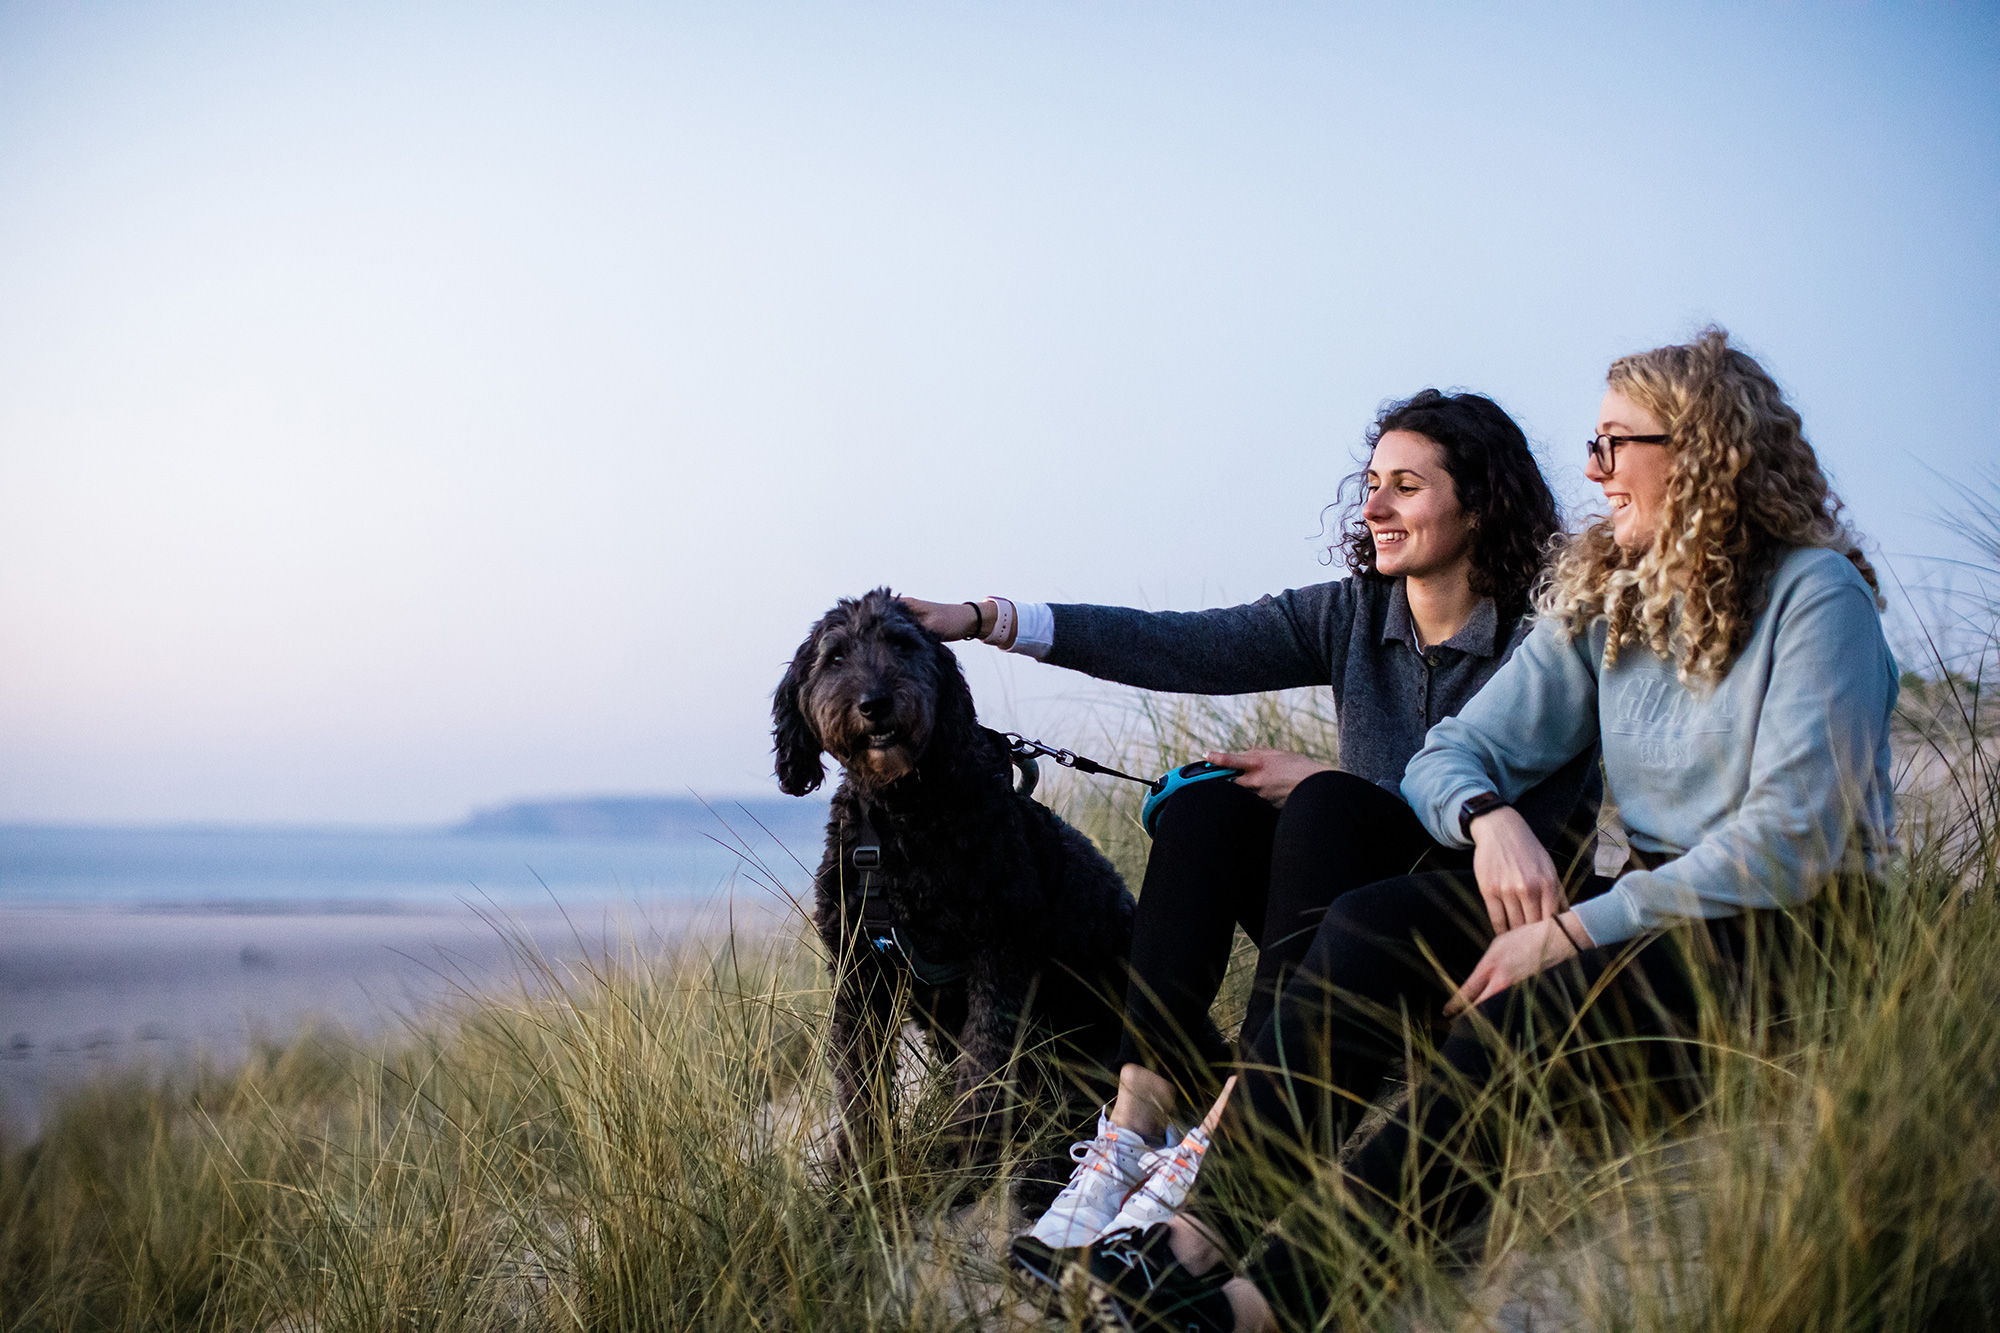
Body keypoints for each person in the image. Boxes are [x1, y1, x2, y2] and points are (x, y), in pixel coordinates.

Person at [1079, 327, 1900, 1332]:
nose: (1592, 471)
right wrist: (1488, 816)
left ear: (1694, 449)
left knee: (1521, 1006)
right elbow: (1449, 754)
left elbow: (1792, 836)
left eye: (1612, 445)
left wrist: (1569, 929)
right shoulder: (1608, 599)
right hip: (1640, 913)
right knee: (1371, 926)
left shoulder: (1816, 595)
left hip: (1789, 933)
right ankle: (1199, 1232)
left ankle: (1264, 1302)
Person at [902, 388, 1600, 1262]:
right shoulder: (1356, 614)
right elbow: (1188, 644)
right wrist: (992, 620)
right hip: (1338, 926)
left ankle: (1236, 1129)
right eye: (1372, 482)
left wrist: (1344, 783)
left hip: (1468, 942)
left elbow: (1537, 827)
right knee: (1207, 806)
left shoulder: (1547, 637)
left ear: (1479, 500)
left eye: (1407, 487)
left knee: (1327, 803)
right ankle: (1130, 1136)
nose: (1374, 505)